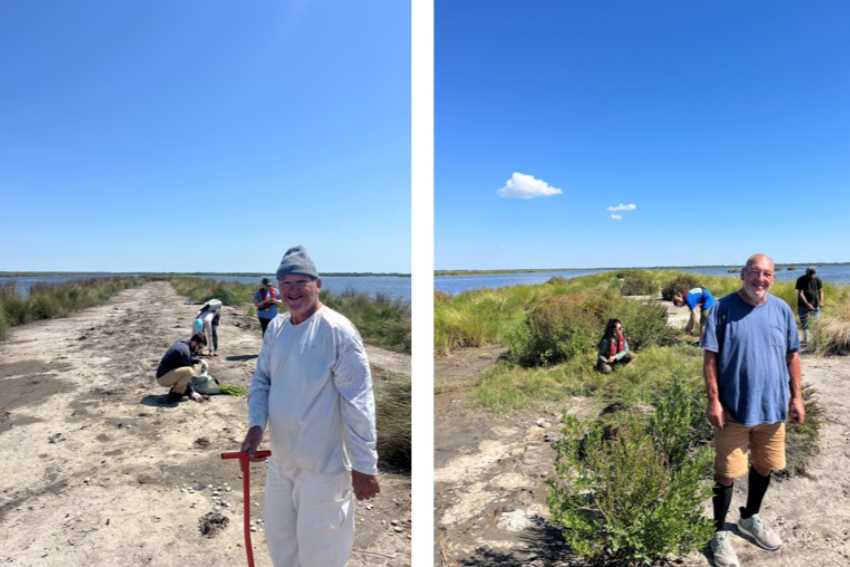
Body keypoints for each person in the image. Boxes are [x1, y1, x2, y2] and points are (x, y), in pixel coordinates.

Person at [241, 246, 380, 567]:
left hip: (325, 468)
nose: (292, 291)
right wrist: (256, 425)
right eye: (285, 283)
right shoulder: (276, 328)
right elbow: (262, 380)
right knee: (282, 545)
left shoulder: (336, 330)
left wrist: (364, 465)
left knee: (322, 553)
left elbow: (358, 400)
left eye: (300, 282)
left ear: (318, 284)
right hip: (282, 461)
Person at [701, 253, 804, 567]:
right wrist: (714, 401)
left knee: (765, 466)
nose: (761, 279)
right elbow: (710, 360)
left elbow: (793, 355)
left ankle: (750, 518)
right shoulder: (722, 309)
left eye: (768, 274)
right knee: (727, 473)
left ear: (773, 278)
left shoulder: (782, 310)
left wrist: (797, 397)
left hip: (772, 408)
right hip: (734, 410)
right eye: (755, 272)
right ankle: (719, 533)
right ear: (743, 274)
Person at [156, 333, 206, 403]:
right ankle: (175, 396)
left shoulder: (183, 344)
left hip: (165, 374)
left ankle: (182, 391)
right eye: (199, 347)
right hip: (163, 378)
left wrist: (198, 360)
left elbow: (187, 360)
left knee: (190, 367)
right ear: (194, 342)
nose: (199, 350)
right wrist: (192, 392)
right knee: (189, 371)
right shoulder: (184, 351)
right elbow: (187, 373)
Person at [795, 266, 824, 346]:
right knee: (804, 323)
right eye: (810, 274)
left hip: (815, 305)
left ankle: (816, 340)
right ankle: (805, 340)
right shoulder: (800, 279)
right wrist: (807, 304)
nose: (811, 276)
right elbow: (800, 293)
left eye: (813, 274)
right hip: (802, 305)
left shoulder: (817, 279)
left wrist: (821, 301)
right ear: (806, 273)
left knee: (816, 323)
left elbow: (821, 291)